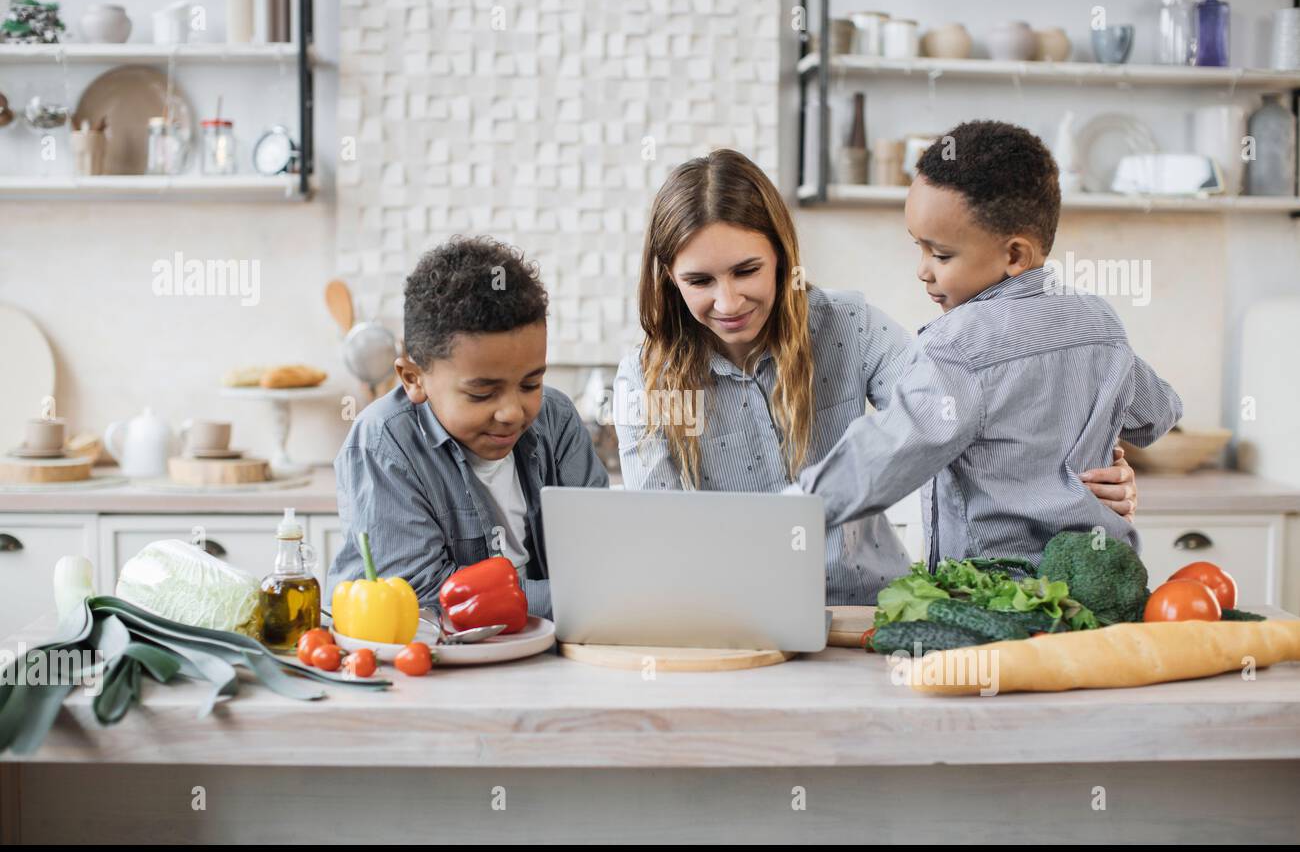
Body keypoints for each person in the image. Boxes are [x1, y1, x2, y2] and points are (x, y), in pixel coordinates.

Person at [616, 147, 1139, 602]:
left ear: (780, 255)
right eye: (700, 280)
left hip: (864, 612)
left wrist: (1077, 468)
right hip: (728, 621)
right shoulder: (643, 378)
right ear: (668, 278)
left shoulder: (847, 325)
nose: (727, 301)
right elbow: (661, 538)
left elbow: (954, 410)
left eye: (747, 270)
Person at [788, 121, 1182, 568]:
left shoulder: (957, 346)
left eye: (941, 255)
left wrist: (792, 509)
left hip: (997, 598)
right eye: (918, 248)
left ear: (1014, 255)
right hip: (1103, 583)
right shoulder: (1099, 322)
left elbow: (884, 455)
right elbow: (1157, 416)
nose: (923, 270)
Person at [328, 235, 609, 615]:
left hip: (544, 652)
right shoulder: (383, 443)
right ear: (413, 378)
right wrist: (576, 598)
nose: (512, 411)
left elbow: (600, 556)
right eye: (482, 393)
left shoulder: (556, 418)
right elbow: (423, 596)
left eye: (531, 384)